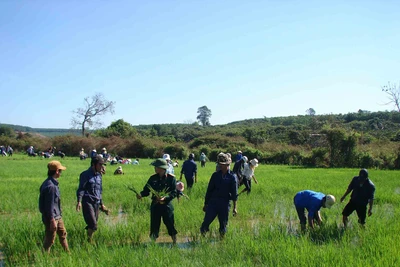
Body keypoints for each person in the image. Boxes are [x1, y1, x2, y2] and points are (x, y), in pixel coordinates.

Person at [136, 158, 178, 243]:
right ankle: (152, 243)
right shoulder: (152, 178)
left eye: (156, 167)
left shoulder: (171, 179)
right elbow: (146, 190)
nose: (155, 168)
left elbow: (174, 192)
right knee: (154, 225)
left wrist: (165, 198)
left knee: (170, 224)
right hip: (155, 205)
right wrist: (141, 194)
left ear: (162, 168)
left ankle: (174, 242)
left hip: (167, 206)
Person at [200, 153, 238, 238]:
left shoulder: (232, 177)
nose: (220, 165)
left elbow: (234, 193)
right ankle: (202, 240)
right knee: (205, 223)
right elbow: (209, 190)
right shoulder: (215, 175)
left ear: (227, 164)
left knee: (223, 225)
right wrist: (206, 203)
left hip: (224, 204)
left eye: (222, 164)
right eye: (219, 164)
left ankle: (221, 241)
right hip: (213, 203)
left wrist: (235, 208)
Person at [76, 155, 109, 242]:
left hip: (96, 202)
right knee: (93, 224)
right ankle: (89, 241)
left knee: (93, 224)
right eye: (100, 164)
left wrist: (102, 204)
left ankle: (88, 239)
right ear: (93, 164)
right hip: (88, 202)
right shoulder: (85, 175)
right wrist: (79, 201)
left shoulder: (99, 176)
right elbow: (81, 188)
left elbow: (100, 190)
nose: (102, 167)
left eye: (103, 165)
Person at [38, 161, 69, 253]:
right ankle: (44, 256)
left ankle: (68, 253)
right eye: (60, 171)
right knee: (50, 239)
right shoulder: (50, 186)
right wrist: (52, 220)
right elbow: (49, 205)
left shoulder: (51, 183)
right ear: (56, 171)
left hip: (57, 216)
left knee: (63, 234)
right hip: (52, 217)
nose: (61, 173)